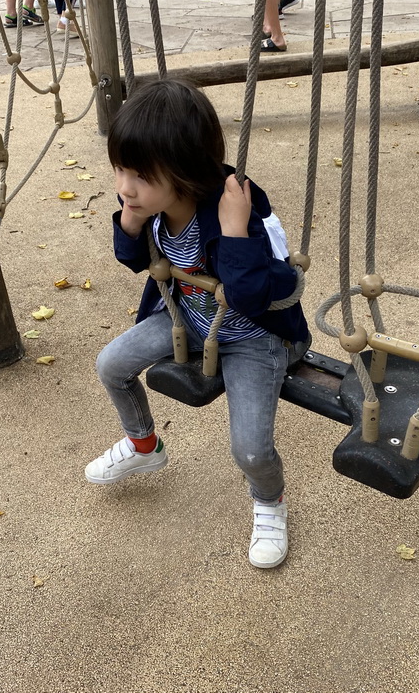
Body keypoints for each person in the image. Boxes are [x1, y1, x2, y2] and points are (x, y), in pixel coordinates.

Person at [86, 80, 309, 569]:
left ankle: (269, 501)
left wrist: (233, 232)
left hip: (253, 337)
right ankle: (144, 443)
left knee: (250, 450)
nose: (125, 186)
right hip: (185, 318)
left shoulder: (241, 210)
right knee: (111, 364)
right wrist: (127, 226)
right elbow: (136, 261)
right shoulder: (150, 207)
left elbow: (255, 296)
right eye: (120, 169)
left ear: (183, 171)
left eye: (139, 175)